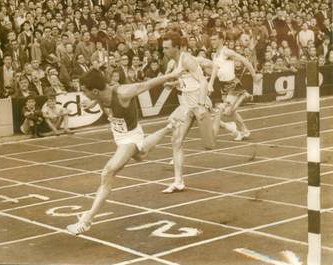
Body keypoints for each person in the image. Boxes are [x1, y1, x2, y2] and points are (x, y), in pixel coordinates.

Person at [66, 67, 184, 235]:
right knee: (141, 155)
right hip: (118, 134)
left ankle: (87, 219)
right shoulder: (99, 95)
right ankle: (169, 127)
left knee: (107, 172)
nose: (83, 95)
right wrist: (91, 102)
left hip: (130, 138)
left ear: (94, 90)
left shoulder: (122, 93)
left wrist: (171, 75)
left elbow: (145, 85)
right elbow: (98, 98)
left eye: (84, 92)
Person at [160, 31, 224, 194]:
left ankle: (219, 113)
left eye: (167, 48)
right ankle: (178, 181)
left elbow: (202, 82)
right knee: (176, 140)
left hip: (198, 102)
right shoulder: (174, 61)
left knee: (210, 144)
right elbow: (186, 80)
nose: (164, 51)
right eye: (163, 48)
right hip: (187, 104)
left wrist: (202, 105)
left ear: (176, 47)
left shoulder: (186, 59)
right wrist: (173, 84)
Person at [207, 32, 262, 141]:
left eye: (215, 39)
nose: (212, 41)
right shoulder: (215, 55)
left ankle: (244, 95)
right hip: (223, 86)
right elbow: (215, 71)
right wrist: (210, 83)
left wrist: (254, 76)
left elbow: (245, 61)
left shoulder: (226, 52)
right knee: (232, 112)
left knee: (227, 112)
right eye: (211, 39)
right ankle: (245, 131)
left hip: (232, 84)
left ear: (222, 40)